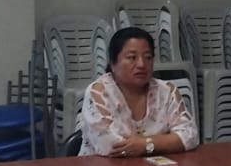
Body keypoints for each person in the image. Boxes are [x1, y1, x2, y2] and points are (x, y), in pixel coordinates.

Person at [79, 27, 199, 157]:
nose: (141, 64)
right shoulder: (99, 92)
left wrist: (145, 145)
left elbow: (189, 136)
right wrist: (165, 142)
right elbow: (110, 146)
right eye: (132, 57)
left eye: (148, 57)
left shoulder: (166, 91)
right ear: (113, 64)